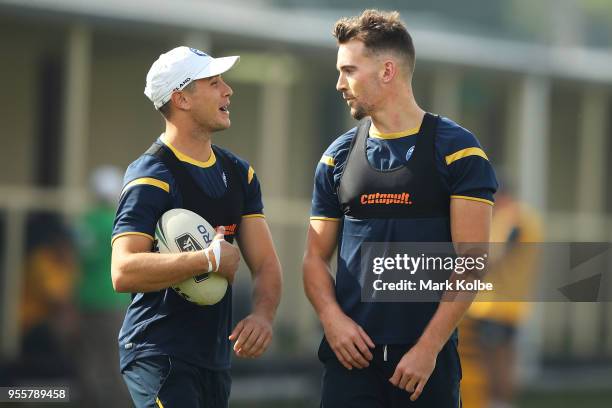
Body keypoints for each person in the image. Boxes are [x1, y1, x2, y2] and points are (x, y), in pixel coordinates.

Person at [302, 10, 497, 407]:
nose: (340, 83)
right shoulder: (336, 158)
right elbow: (314, 259)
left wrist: (428, 349)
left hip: (425, 368)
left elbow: (472, 261)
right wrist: (332, 319)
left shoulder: (458, 151)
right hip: (349, 364)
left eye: (349, 70)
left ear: (387, 71)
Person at [111, 46, 282, 408]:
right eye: (215, 82)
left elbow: (266, 264)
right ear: (182, 98)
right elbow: (123, 270)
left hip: (214, 359)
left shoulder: (239, 173)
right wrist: (205, 260)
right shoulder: (151, 176)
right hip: (157, 353)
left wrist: (263, 316)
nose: (228, 91)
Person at [459, 182, 542, 408]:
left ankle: (496, 404)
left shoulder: (513, 218)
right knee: (503, 360)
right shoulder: (526, 217)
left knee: (493, 363)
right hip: (511, 306)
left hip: (496, 306)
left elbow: (496, 254)